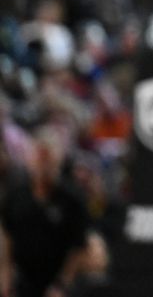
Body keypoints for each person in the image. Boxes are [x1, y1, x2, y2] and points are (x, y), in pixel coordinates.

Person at [0, 127, 91, 297]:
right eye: (39, 157)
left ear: (58, 160)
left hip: (59, 281)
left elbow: (78, 248)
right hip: (23, 280)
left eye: (48, 158)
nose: (43, 165)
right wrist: (5, 276)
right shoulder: (16, 194)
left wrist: (62, 285)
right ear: (29, 159)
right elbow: (7, 236)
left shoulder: (72, 198)